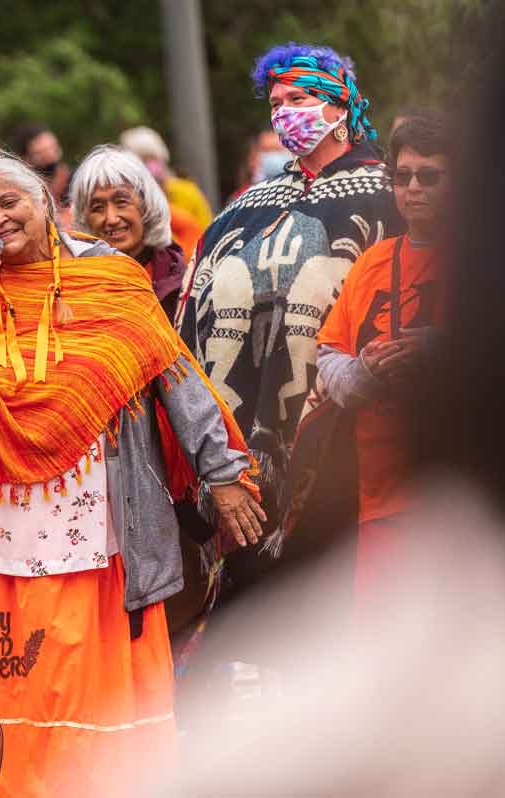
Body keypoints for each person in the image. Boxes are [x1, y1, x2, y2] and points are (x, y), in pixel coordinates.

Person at [0, 151, 262, 798]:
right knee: (11, 673)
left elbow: (175, 376)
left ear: (43, 198)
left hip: (95, 527)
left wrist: (224, 470)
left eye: (8, 202)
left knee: (81, 671)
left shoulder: (112, 278)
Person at [176, 43, 402, 539]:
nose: (284, 113)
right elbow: (193, 308)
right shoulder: (243, 208)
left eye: (298, 99)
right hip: (239, 451)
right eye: (276, 104)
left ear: (340, 106)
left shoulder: (393, 193)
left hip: (357, 432)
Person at [280, 112, 446, 601]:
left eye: (429, 176)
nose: (413, 187)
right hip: (380, 500)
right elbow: (329, 359)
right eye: (402, 176)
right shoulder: (373, 261)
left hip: (463, 497)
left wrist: (433, 350)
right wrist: (367, 372)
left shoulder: (487, 256)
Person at [69, 144, 187, 320]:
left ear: (146, 205)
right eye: (97, 207)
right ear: (84, 219)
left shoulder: (184, 285)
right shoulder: (74, 291)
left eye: (121, 202)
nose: (111, 218)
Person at [120, 125, 214, 228]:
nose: (150, 165)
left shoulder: (187, 191)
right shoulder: (127, 198)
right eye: (142, 159)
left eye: (151, 157)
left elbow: (208, 229)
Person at [14, 124, 72, 224]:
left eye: (53, 149)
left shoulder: (76, 182)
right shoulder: (23, 194)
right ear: (25, 159)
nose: (50, 157)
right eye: (41, 153)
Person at [231, 129, 292, 200]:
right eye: (267, 151)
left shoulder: (304, 197)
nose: (273, 157)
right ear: (252, 158)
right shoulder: (239, 200)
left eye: (278, 150)